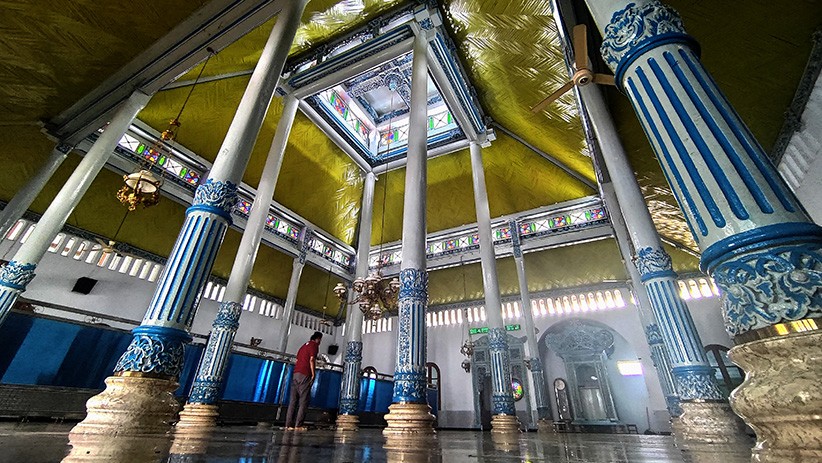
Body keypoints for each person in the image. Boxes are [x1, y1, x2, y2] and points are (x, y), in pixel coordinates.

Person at [284, 331, 322, 430]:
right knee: (303, 401)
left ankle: (288, 425)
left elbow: (298, 360)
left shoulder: (303, 346)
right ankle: (298, 425)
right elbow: (312, 359)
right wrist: (313, 374)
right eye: (320, 340)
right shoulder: (314, 346)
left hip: (296, 373)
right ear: (317, 338)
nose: (320, 342)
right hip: (305, 374)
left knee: (293, 401)